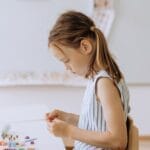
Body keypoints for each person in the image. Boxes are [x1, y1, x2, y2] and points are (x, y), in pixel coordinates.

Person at [46, 11, 130, 150]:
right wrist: (67, 118)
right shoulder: (100, 78)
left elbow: (117, 140)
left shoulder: (104, 84)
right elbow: (96, 126)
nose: (66, 67)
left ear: (85, 47)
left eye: (66, 60)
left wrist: (68, 131)